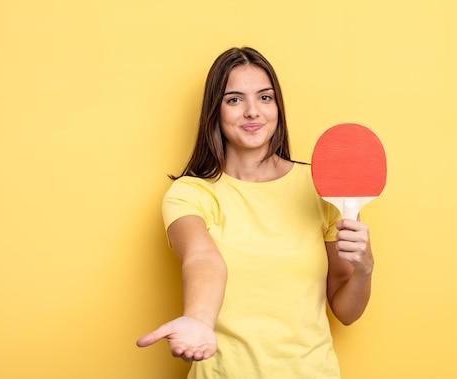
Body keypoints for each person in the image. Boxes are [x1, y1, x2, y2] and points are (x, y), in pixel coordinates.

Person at [137, 47, 374, 379]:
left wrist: (364, 269)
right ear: (214, 111)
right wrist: (200, 320)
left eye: (265, 98)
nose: (252, 111)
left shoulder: (322, 188)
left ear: (277, 107)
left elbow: (346, 312)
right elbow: (202, 258)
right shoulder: (190, 194)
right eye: (234, 100)